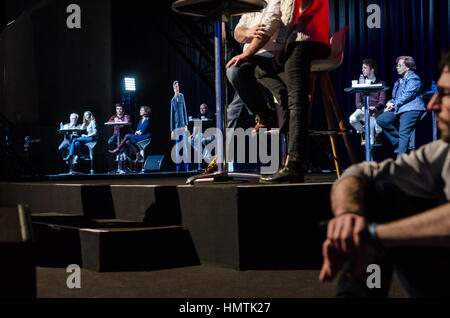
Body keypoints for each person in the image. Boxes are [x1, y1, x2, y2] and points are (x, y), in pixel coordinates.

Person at [319, 49, 450, 297]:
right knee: (375, 191)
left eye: (445, 94)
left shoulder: (412, 81)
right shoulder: (442, 151)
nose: (432, 104)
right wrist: (348, 215)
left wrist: (372, 235)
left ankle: (402, 147)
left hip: (405, 109)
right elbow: (361, 171)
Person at [260, 0, 331, 183]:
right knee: (259, 70)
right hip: (318, 37)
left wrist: (280, 45)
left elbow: (290, 13)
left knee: (297, 101)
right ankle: (284, 100)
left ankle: (294, 165)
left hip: (302, 38)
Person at [226, 0, 281, 132]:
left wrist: (247, 54)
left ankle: (265, 114)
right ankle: (224, 152)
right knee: (233, 113)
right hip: (252, 58)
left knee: (235, 70)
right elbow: (237, 32)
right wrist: (247, 32)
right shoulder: (253, 4)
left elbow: (267, 28)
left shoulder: (275, 1)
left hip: (272, 54)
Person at [376, 56, 426, 157]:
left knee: (404, 133)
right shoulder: (399, 81)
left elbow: (407, 96)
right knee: (381, 119)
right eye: (397, 65)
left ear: (407, 67)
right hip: (400, 108)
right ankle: (398, 142)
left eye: (399, 65)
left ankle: (399, 165)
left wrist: (394, 104)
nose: (397, 67)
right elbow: (396, 97)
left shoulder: (414, 78)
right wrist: (389, 103)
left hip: (411, 108)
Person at [348, 59, 386, 145]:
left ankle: (377, 134)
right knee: (352, 119)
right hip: (363, 108)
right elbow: (357, 102)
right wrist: (364, 109)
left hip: (376, 109)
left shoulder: (381, 83)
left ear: (372, 69)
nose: (362, 70)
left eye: (365, 68)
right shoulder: (360, 83)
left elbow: (382, 102)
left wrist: (375, 110)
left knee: (376, 119)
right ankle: (363, 132)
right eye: (362, 68)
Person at [170, 81, 189, 171]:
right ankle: (178, 167)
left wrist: (186, 124)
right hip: (176, 127)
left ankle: (186, 166)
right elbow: (171, 115)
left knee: (185, 146)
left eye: (178, 86)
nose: (177, 88)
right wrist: (172, 129)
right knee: (177, 147)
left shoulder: (182, 96)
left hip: (183, 125)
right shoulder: (172, 100)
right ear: (173, 89)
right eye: (175, 87)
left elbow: (184, 110)